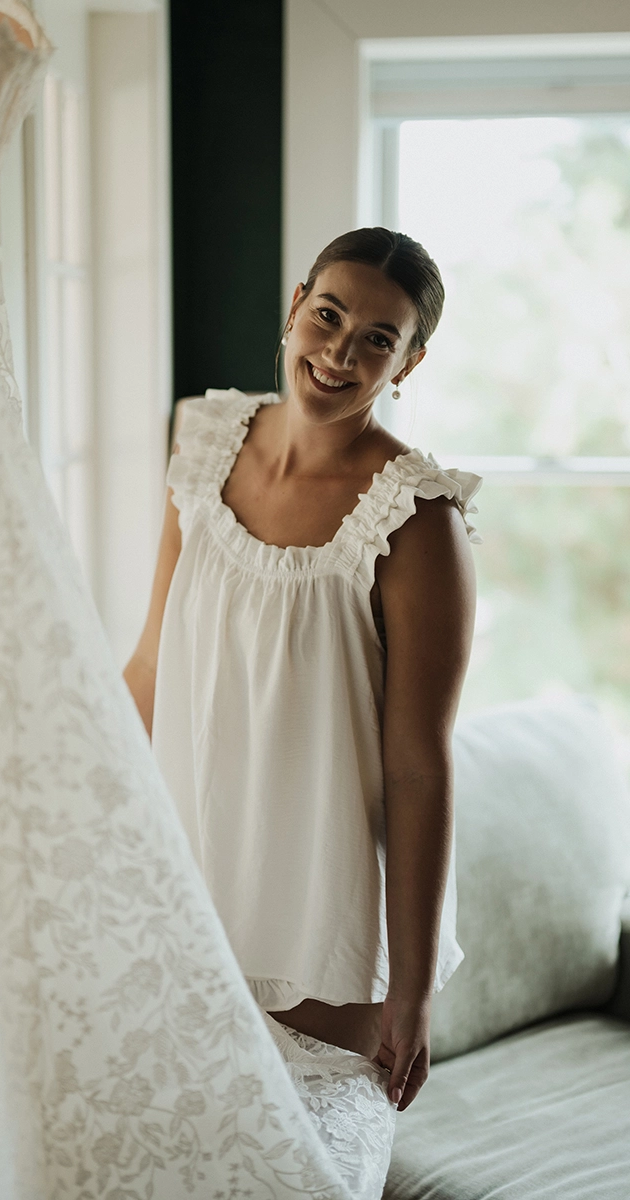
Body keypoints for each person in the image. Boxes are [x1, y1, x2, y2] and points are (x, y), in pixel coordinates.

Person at [125, 228, 475, 1122]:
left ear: (410, 362)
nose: (339, 352)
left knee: (295, 1162)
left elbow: (417, 766)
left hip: (322, 907)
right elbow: (154, 662)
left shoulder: (417, 519)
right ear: (295, 305)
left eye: (377, 340)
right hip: (186, 883)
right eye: (329, 315)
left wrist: (414, 987)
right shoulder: (201, 444)